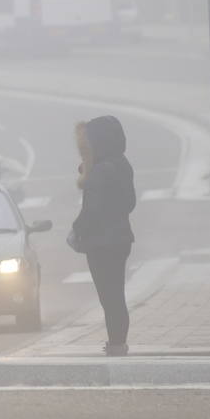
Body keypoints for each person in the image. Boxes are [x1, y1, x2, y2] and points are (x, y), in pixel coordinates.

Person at [70, 115, 136, 356]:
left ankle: (115, 344)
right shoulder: (122, 164)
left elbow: (91, 211)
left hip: (101, 243)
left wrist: (77, 230)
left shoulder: (99, 173)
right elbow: (130, 202)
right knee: (117, 293)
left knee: (109, 297)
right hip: (121, 238)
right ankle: (119, 341)